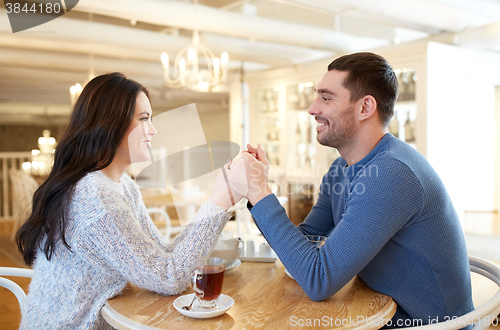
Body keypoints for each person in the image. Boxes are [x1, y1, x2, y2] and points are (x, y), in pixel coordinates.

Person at [240, 53, 474, 327]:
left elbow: (318, 279)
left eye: (326, 98)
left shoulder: (392, 172)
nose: (313, 109)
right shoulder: (341, 168)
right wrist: (260, 193)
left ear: (365, 108)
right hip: (380, 313)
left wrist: (260, 193)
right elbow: (306, 239)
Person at [15, 72, 244, 329]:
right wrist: (220, 199)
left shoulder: (123, 185)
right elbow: (169, 277)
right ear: (110, 124)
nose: (153, 130)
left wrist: (222, 198)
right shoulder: (95, 200)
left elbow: (162, 257)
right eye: (144, 119)